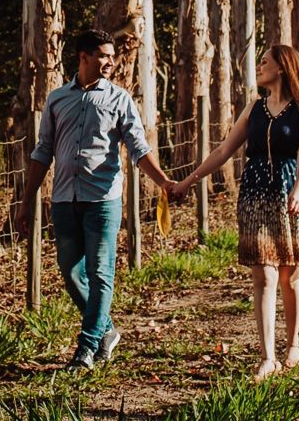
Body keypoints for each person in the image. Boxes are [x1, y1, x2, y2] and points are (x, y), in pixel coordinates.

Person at [173, 43, 299, 380]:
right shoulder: (254, 108)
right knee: (263, 275)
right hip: (255, 195)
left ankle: (292, 343)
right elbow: (224, 150)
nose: (260, 66)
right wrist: (188, 181)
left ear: (282, 68)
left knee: (288, 274)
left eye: (265, 61)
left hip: (290, 192)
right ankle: (268, 357)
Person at [14, 28, 177, 370]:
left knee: (100, 272)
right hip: (64, 199)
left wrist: (163, 181)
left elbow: (138, 148)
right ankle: (106, 330)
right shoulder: (57, 99)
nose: (110, 63)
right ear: (83, 57)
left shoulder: (119, 99)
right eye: (104, 56)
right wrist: (27, 201)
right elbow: (43, 151)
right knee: (72, 273)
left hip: (103, 199)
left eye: (112, 57)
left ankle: (86, 348)